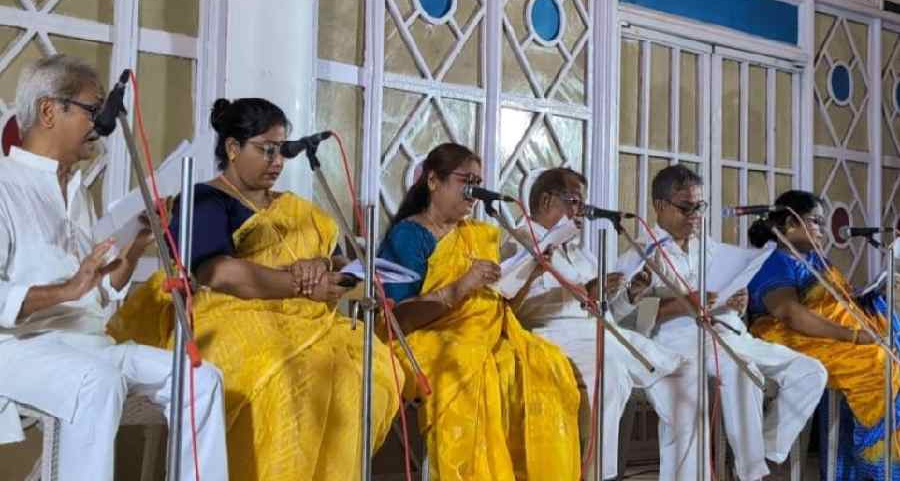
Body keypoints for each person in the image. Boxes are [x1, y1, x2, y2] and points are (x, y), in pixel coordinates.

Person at [108, 98, 401, 481]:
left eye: (281, 151)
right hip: (227, 315)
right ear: (233, 148)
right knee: (292, 378)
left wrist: (325, 267)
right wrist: (297, 284)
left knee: (363, 371)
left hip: (310, 321)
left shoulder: (297, 209)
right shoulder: (207, 199)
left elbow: (342, 263)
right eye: (267, 150)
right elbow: (218, 273)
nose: (278, 161)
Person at [0, 55, 228, 480]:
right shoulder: (4, 183)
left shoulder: (78, 190)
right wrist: (67, 289)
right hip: (19, 346)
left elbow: (96, 293)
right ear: (50, 110)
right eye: (94, 109)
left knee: (202, 380)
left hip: (88, 343)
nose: (103, 123)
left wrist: (140, 240)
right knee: (99, 382)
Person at [378, 142, 581, 481]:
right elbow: (398, 318)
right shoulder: (409, 235)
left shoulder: (478, 235)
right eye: (466, 182)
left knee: (548, 366)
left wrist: (529, 275)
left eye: (478, 182)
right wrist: (458, 287)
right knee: (472, 368)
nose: (474, 192)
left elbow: (500, 307)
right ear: (433, 181)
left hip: (487, 334)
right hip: (426, 340)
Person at [616, 165, 826, 480]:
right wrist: (685, 304)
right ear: (660, 206)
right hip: (678, 340)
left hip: (730, 334)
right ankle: (751, 472)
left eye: (700, 207)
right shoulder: (641, 255)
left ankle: (764, 452)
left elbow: (726, 292)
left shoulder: (710, 248)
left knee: (811, 371)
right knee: (740, 371)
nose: (695, 215)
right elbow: (633, 322)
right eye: (686, 208)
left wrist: (737, 302)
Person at [500, 167, 691, 480]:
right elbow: (512, 304)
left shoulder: (579, 250)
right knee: (609, 370)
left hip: (601, 330)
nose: (582, 212)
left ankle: (684, 474)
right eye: (574, 201)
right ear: (546, 200)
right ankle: (600, 475)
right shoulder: (519, 241)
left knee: (684, 374)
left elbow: (607, 310)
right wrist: (581, 293)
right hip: (551, 334)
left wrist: (629, 293)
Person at [747, 189, 900, 480]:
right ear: (790, 225)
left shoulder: (817, 261)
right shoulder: (773, 261)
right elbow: (789, 313)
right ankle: (879, 466)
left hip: (833, 338)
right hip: (798, 340)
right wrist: (852, 335)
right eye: (816, 221)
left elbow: (838, 302)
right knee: (879, 361)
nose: (823, 229)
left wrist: (871, 294)